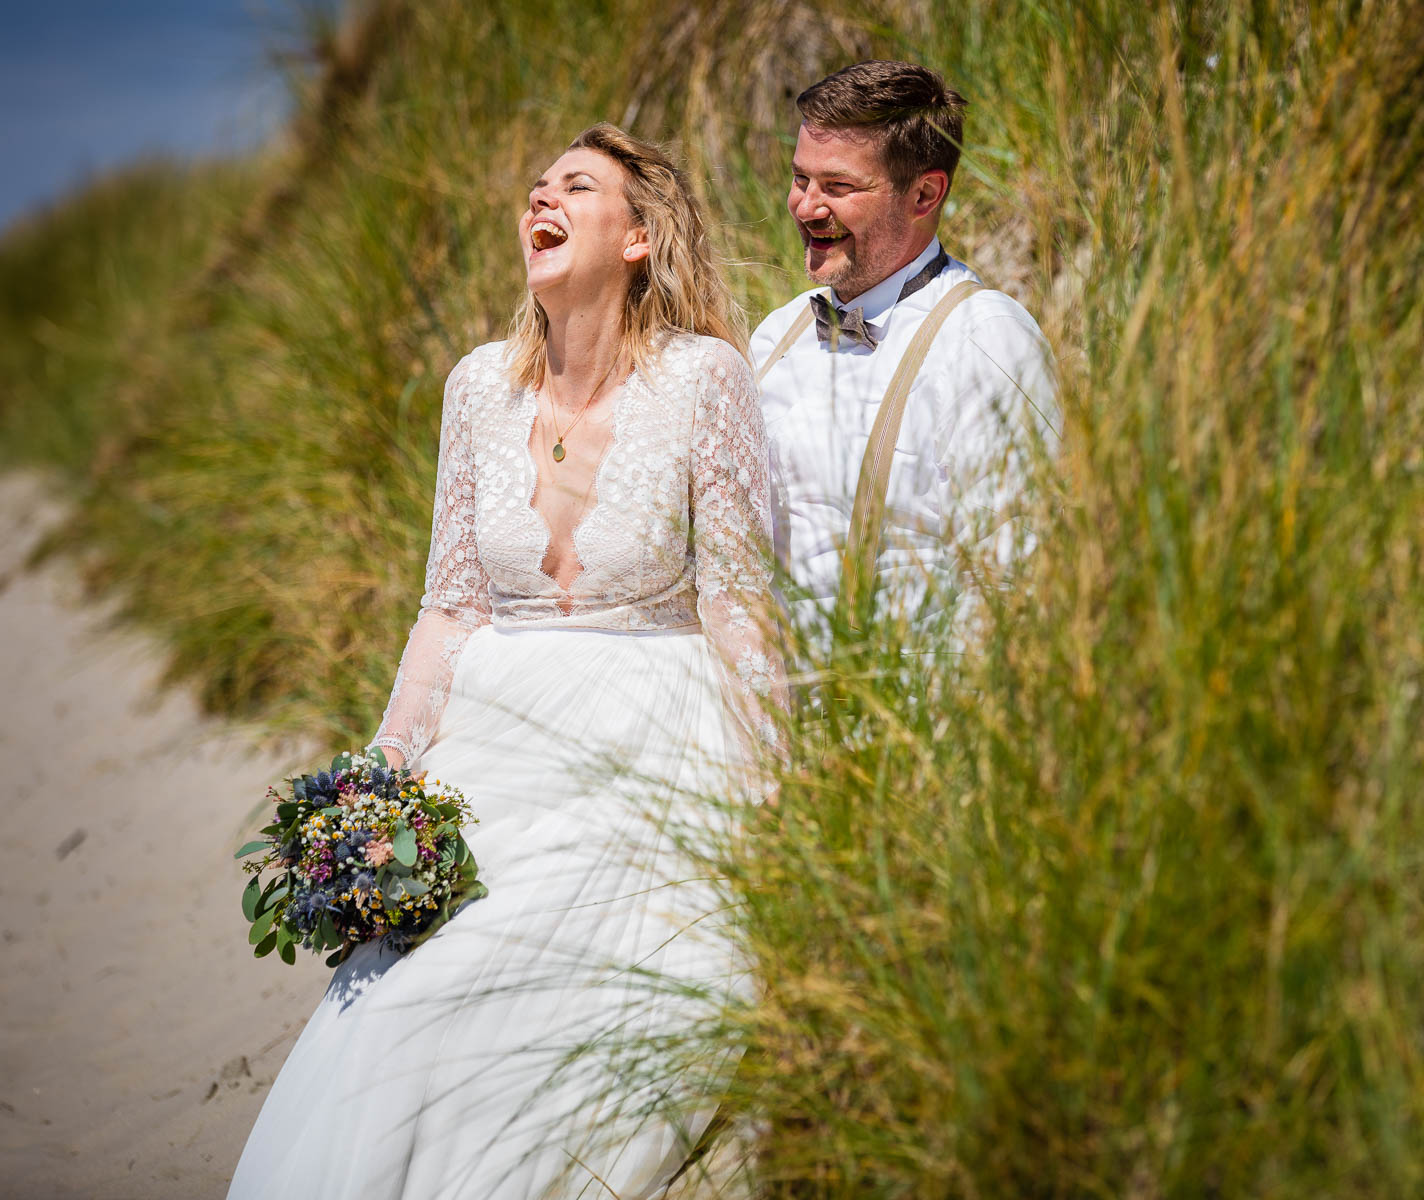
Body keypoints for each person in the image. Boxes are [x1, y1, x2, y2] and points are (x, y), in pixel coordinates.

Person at [227, 123, 784, 1200]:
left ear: (638, 236)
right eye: (535, 188)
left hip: (653, 744)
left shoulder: (705, 377)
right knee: (396, 1005)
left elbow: (738, 599)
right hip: (494, 745)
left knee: (544, 993)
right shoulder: (478, 387)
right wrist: (380, 776)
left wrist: (778, 789)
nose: (544, 198)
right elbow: (449, 607)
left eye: (577, 185)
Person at [750, 59, 1059, 650]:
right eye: (800, 180)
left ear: (924, 194)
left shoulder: (985, 336)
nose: (806, 207)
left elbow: (1012, 567)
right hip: (763, 716)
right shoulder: (776, 335)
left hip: (901, 717)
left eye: (837, 188)